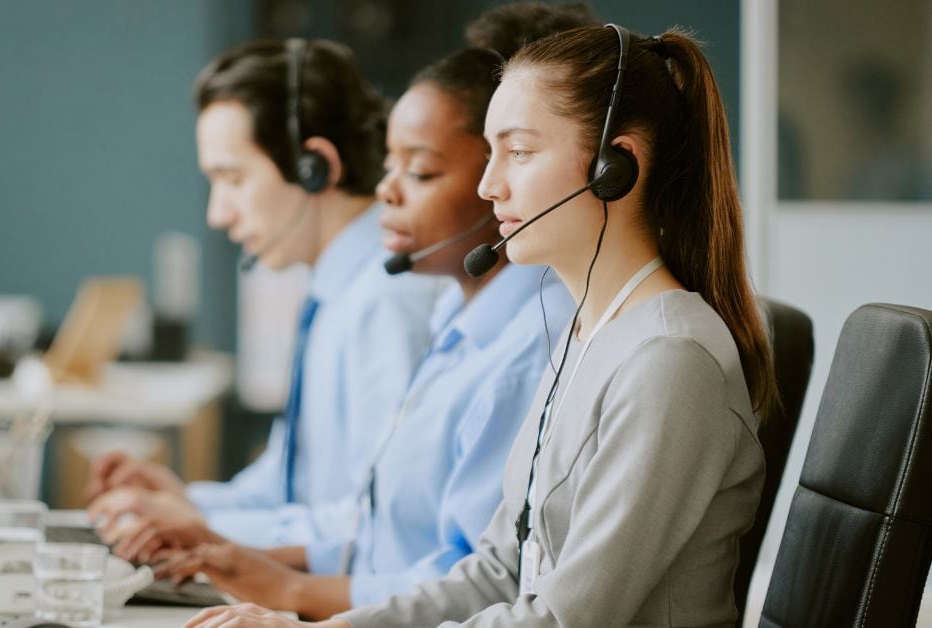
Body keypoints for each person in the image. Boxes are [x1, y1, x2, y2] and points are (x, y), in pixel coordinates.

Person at [187, 22, 777, 628]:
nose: (489, 185)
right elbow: (498, 571)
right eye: (490, 153)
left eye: (518, 152)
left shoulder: (668, 360)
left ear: (614, 166)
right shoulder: (584, 335)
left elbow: (564, 619)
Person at [105, 5, 590, 621]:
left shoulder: (424, 312)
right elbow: (365, 512)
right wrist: (202, 521)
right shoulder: (448, 318)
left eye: (231, 179)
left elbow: (472, 572)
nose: (217, 215)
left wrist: (273, 580)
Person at [86, 39, 441, 549]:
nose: (218, 213)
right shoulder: (335, 290)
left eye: (232, 179)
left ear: (312, 165)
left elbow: (376, 526)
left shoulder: (389, 301)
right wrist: (183, 503)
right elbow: (288, 487)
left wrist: (195, 527)